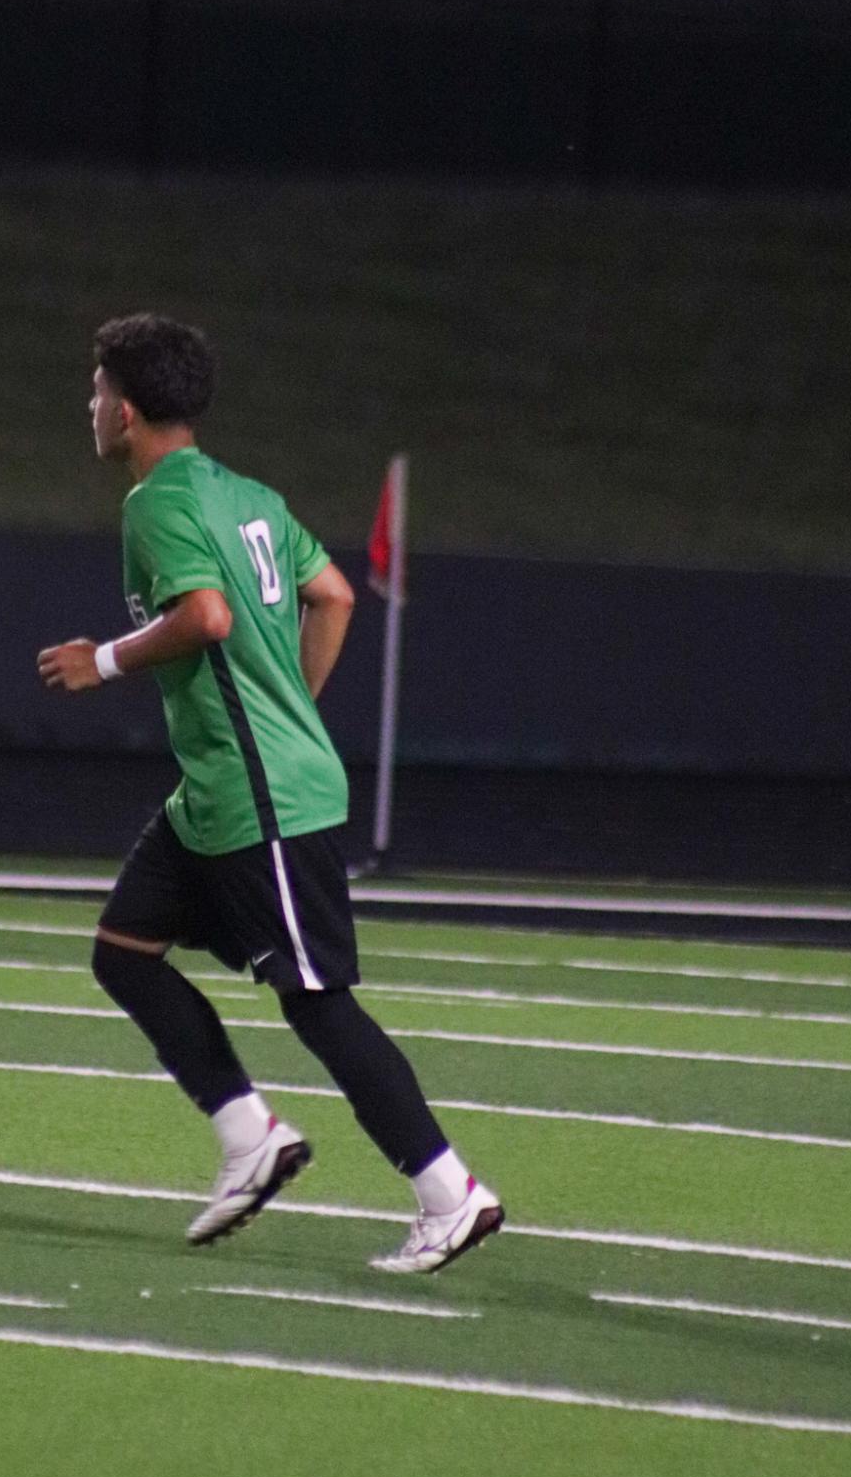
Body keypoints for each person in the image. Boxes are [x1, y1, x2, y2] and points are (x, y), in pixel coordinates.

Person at [37, 314, 503, 1274]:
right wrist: (291, 702)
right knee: (123, 952)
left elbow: (205, 615)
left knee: (318, 1004)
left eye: (93, 393)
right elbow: (332, 592)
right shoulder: (246, 492)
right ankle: (251, 1138)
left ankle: (449, 1192)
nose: (88, 407)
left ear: (124, 410)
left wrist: (107, 660)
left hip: (262, 802)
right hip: (219, 795)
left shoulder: (155, 504)